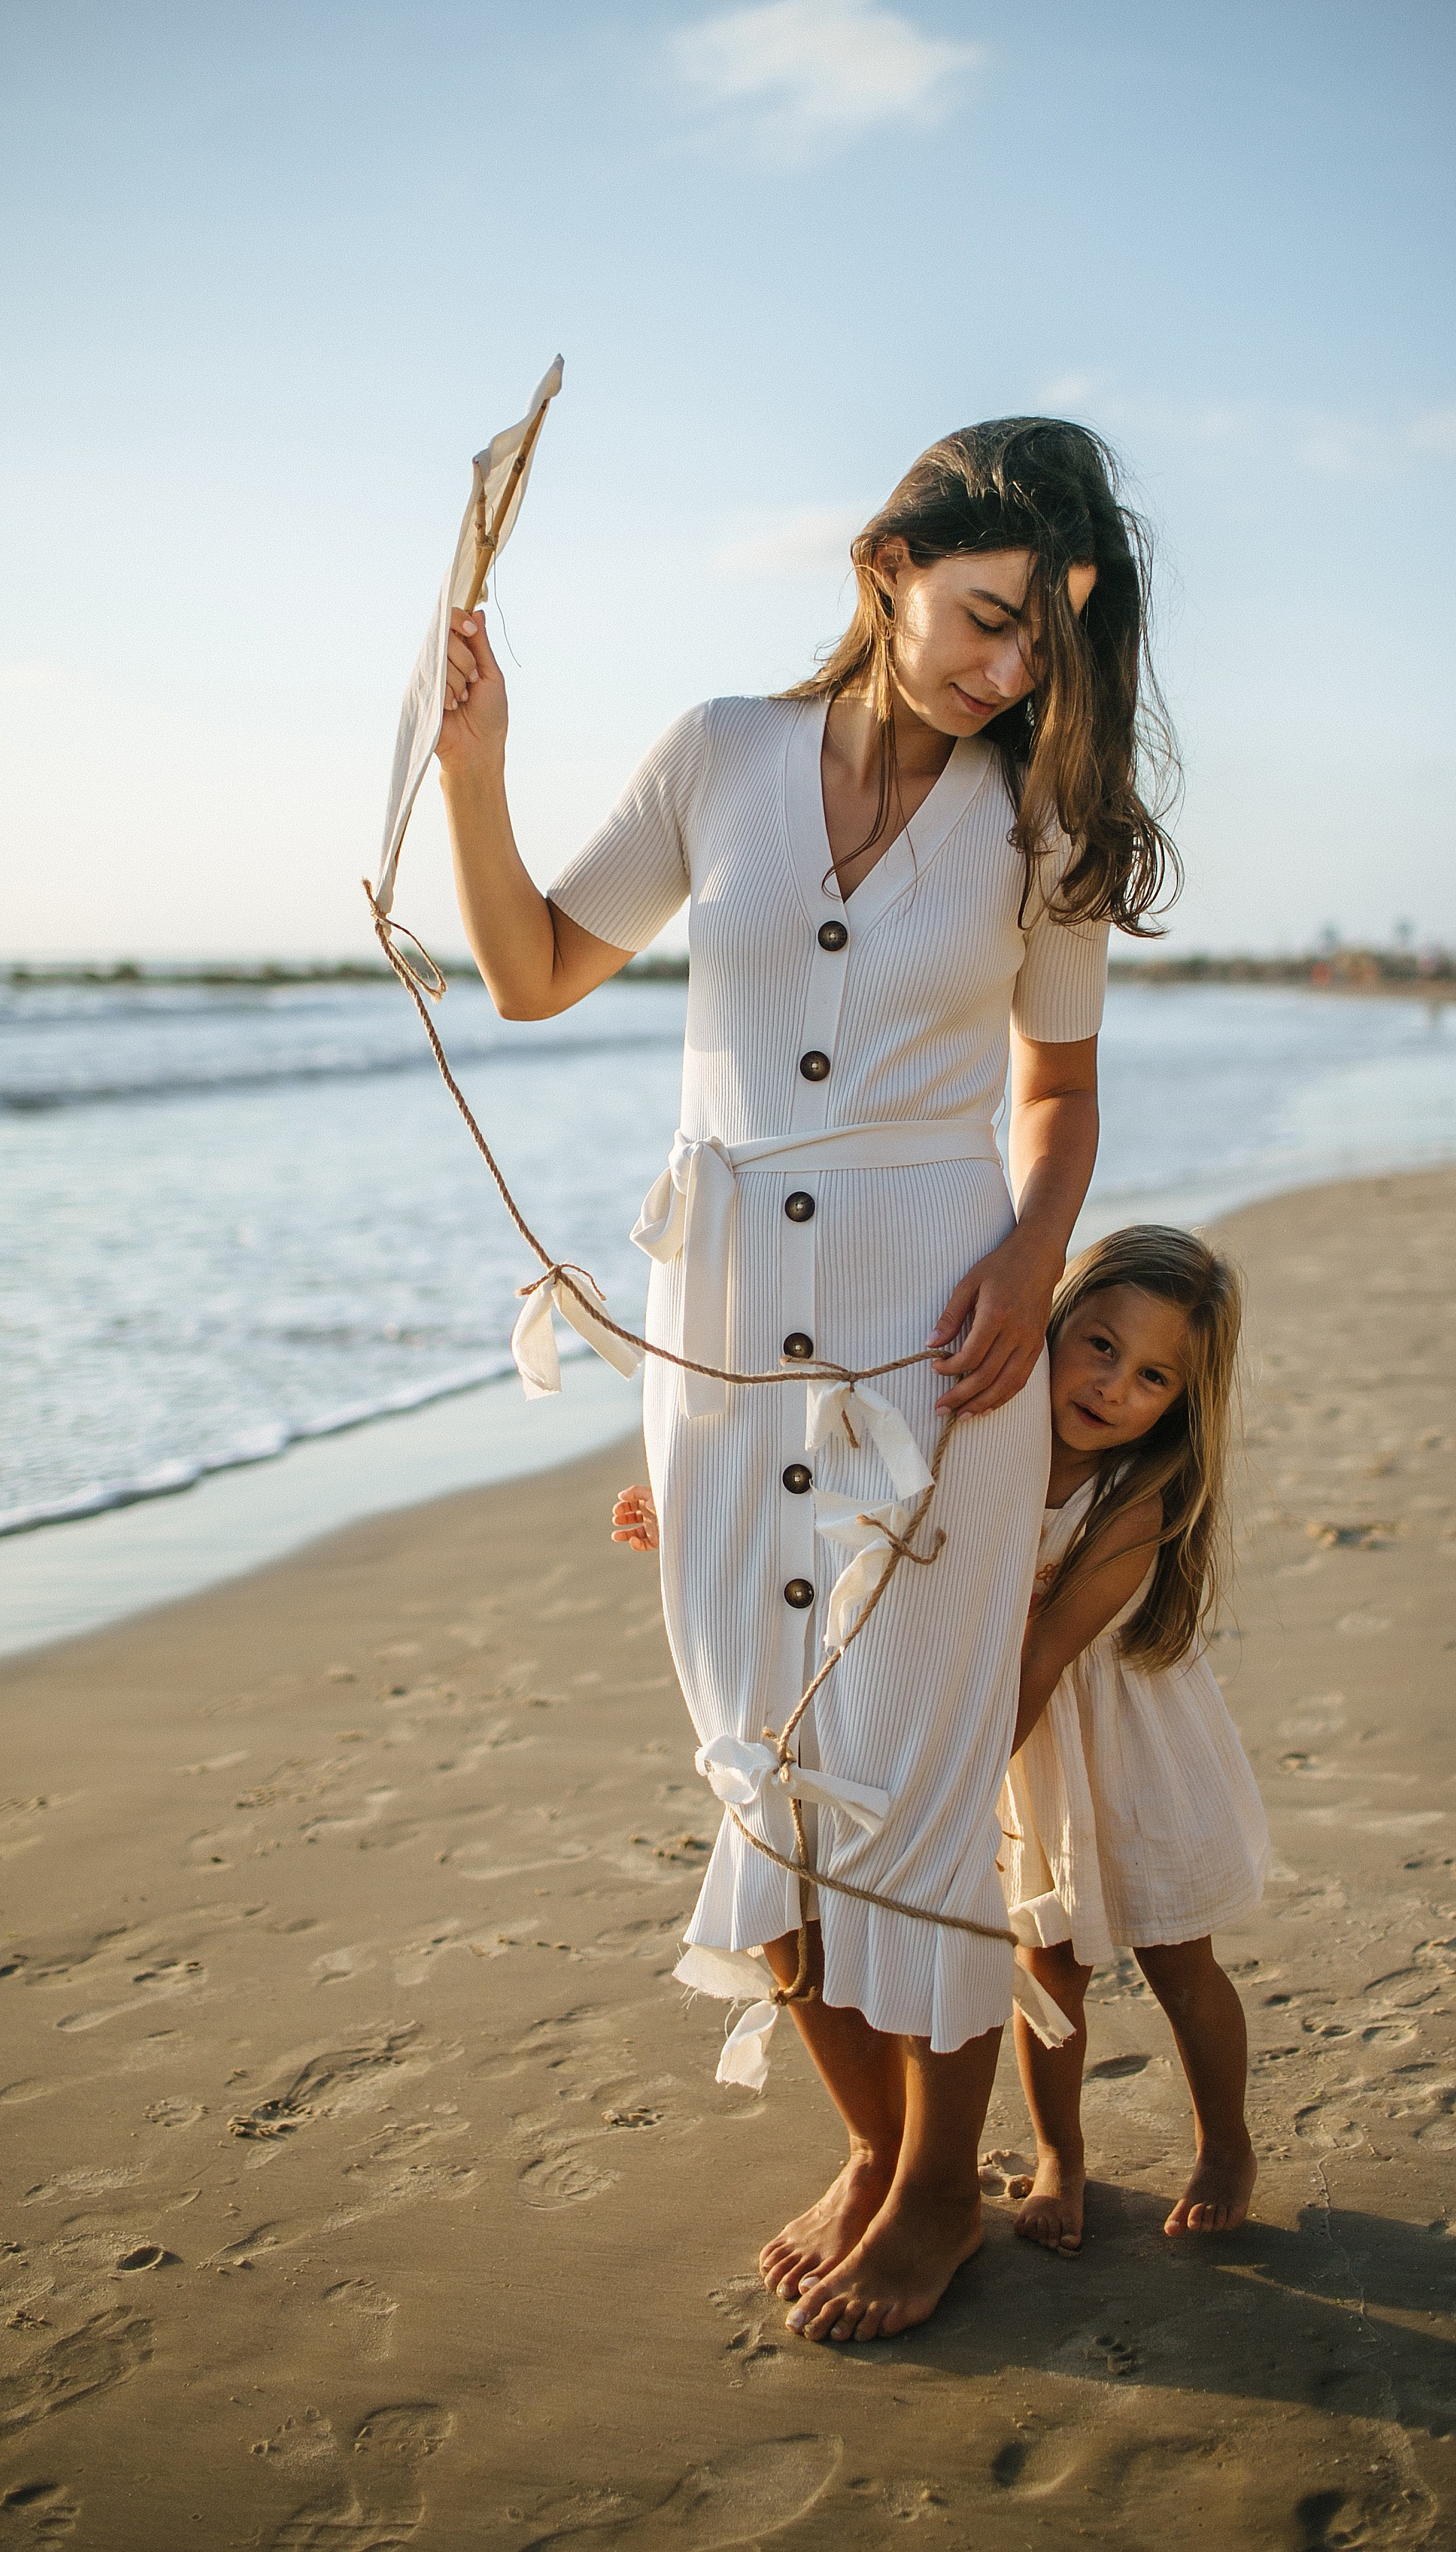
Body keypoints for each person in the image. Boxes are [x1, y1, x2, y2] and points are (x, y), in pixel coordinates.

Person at [435, 417, 1177, 2345]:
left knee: (912, 1775)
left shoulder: (1044, 824)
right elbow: (525, 969)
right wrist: (475, 763)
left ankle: (940, 2180)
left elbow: (1060, 1093)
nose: (1009, 671)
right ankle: (870, 2135)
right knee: (753, 1762)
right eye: (992, 617)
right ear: (891, 562)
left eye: (1050, 649)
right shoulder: (720, 754)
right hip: (716, 1329)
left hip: (941, 1332)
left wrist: (1030, 1257)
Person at [999, 1224, 1268, 2255]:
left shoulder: (1135, 1501)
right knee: (1047, 1958)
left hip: (1130, 1749)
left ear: (1179, 1403)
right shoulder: (988, 1435)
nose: (1114, 1385)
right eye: (1102, 1345)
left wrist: (947, 1785)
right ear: (1057, 1316)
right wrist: (697, 1507)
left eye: (1152, 1375)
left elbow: (1040, 1658)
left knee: (1178, 1958)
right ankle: (1061, 2151)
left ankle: (1225, 2141)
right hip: (1032, 1755)